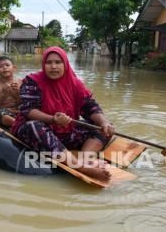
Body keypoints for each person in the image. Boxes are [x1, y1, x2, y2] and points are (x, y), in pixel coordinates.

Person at [11, 47, 116, 182]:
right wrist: (52, 120)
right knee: (33, 126)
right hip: (39, 130)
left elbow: (90, 107)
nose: (53, 67)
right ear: (44, 64)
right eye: (49, 63)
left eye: (58, 62)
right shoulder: (32, 81)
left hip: (66, 130)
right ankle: (79, 167)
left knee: (103, 127)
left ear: (65, 64)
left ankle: (85, 159)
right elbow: (28, 110)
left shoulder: (76, 83)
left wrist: (104, 123)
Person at [0, 56, 22, 127]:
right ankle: (20, 126)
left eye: (7, 65)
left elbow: (23, 103)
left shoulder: (20, 82)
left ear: (14, 68)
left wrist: (17, 93)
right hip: (1, 112)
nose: (5, 68)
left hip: (17, 110)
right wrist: (3, 94)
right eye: (1, 66)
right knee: (3, 116)